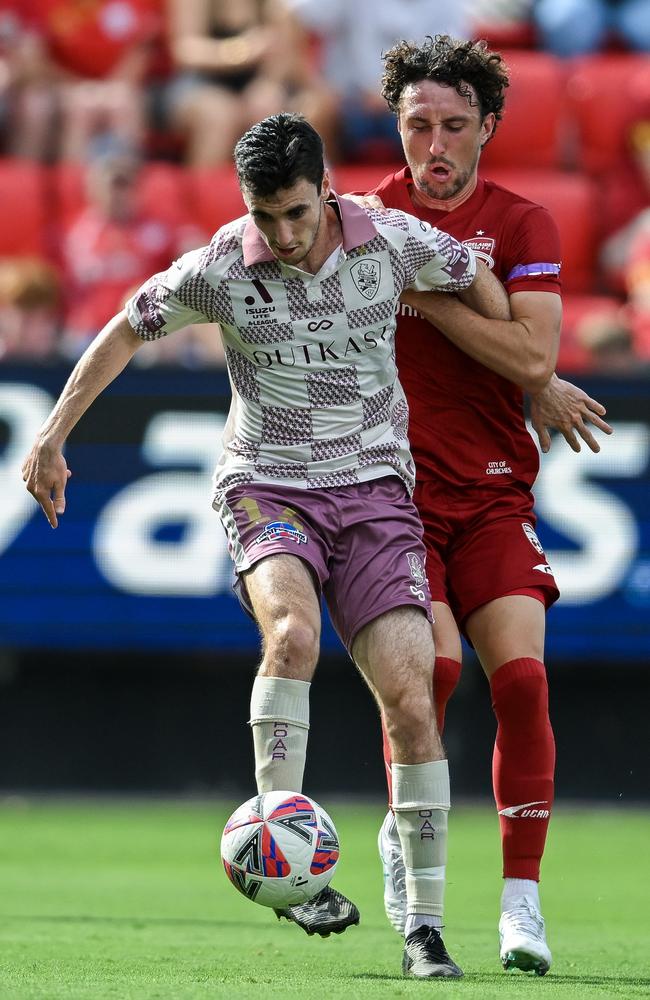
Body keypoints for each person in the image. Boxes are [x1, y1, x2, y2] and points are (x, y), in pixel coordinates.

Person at [22, 112, 513, 979]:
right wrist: (53, 436)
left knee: (411, 693)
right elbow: (127, 328)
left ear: (325, 190)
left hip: (374, 496)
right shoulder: (221, 263)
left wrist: (529, 381)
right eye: (264, 215)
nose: (281, 234)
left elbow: (481, 285)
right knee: (291, 633)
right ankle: (286, 859)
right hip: (266, 482)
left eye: (295, 212)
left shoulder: (394, 240)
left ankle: (425, 928)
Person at [359, 35, 613, 977]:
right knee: (433, 675)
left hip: (495, 489)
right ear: (397, 124)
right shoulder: (359, 220)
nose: (434, 144)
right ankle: (407, 836)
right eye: (418, 124)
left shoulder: (523, 223)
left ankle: (521, 904)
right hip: (393, 497)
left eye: (454, 126)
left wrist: (420, 298)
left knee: (524, 683)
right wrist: (498, 340)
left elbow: (535, 361)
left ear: (488, 128)